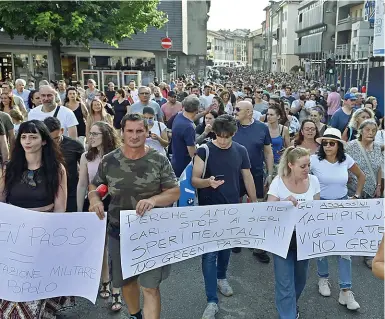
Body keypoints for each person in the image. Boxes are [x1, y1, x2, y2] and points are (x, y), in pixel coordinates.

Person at [89, 113, 180, 319]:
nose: (135, 135)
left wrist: (154, 200)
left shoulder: (158, 159)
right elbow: (97, 185)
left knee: (150, 286)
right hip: (118, 232)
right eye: (129, 131)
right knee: (126, 282)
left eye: (140, 131)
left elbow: (174, 191)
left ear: (147, 133)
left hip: (151, 233)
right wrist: (95, 199)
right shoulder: (110, 160)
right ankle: (135, 315)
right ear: (122, 133)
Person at [0, 120, 73, 318]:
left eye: (33, 137)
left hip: (43, 234)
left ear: (43, 141)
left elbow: (60, 208)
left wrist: (55, 240)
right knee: (14, 292)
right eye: (23, 137)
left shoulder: (56, 170)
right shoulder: (10, 168)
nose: (27, 141)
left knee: (37, 290)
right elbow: (2, 201)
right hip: (15, 237)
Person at [191, 114, 257, 319]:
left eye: (226, 137)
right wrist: (207, 182)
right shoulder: (204, 150)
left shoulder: (241, 150)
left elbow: (247, 176)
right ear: (214, 134)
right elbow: (194, 179)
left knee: (226, 247)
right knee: (209, 254)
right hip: (209, 210)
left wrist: (254, 203)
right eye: (219, 136)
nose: (222, 140)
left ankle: (222, 278)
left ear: (233, 134)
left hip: (232, 209)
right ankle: (211, 300)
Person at [310, 127, 365, 311]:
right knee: (323, 245)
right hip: (321, 205)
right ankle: (323, 279)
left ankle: (345, 290)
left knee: (344, 248)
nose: (327, 146)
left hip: (342, 205)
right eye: (324, 143)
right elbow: (301, 177)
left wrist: (356, 196)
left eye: (331, 143)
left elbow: (361, 176)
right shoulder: (313, 160)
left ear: (339, 145)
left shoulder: (346, 160)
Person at [267, 146, 321, 319]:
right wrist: (283, 201)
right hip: (282, 238)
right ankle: (288, 315)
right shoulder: (278, 181)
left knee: (300, 280)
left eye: (308, 165)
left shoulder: (314, 181)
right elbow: (268, 210)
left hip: (304, 239)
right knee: (285, 283)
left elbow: (317, 209)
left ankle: (291, 306)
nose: (307, 169)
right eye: (302, 166)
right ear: (290, 165)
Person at [76, 121, 122, 311]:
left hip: (116, 203)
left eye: (95, 134)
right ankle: (104, 280)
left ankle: (117, 290)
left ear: (106, 135)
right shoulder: (86, 156)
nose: (91, 137)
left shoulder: (119, 155)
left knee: (116, 248)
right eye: (90, 134)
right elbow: (82, 184)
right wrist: (79, 210)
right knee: (101, 245)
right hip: (95, 203)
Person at [232, 100, 274, 263]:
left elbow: (268, 152)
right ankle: (236, 239)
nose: (234, 111)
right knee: (235, 206)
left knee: (257, 208)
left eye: (238, 109)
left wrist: (269, 174)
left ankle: (258, 245)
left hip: (255, 173)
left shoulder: (262, 128)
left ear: (249, 112)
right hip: (234, 174)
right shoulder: (231, 126)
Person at [346, 119, 383, 269]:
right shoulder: (351, 146)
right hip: (354, 188)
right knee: (352, 221)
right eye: (367, 130)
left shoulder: (377, 148)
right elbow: (345, 165)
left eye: (373, 131)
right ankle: (346, 248)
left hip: (373, 188)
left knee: (371, 223)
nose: (371, 133)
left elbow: (379, 167)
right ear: (360, 131)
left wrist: (379, 185)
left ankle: (369, 255)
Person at [43, 117, 84, 212]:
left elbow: (85, 168)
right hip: (48, 191)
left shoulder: (75, 146)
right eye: (50, 139)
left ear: (61, 130)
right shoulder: (41, 146)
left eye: (56, 138)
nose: (53, 142)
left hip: (72, 191)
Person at [171, 95, 199, 177]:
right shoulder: (189, 127)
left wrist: (204, 113)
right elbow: (192, 154)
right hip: (184, 167)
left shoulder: (179, 116)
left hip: (175, 161)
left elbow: (191, 118)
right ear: (197, 109)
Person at [266, 105, 290, 171]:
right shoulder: (263, 128)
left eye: (271, 115)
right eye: (267, 114)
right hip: (264, 163)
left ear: (278, 116)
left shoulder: (284, 129)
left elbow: (289, 148)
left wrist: (284, 151)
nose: (268, 117)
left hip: (278, 164)